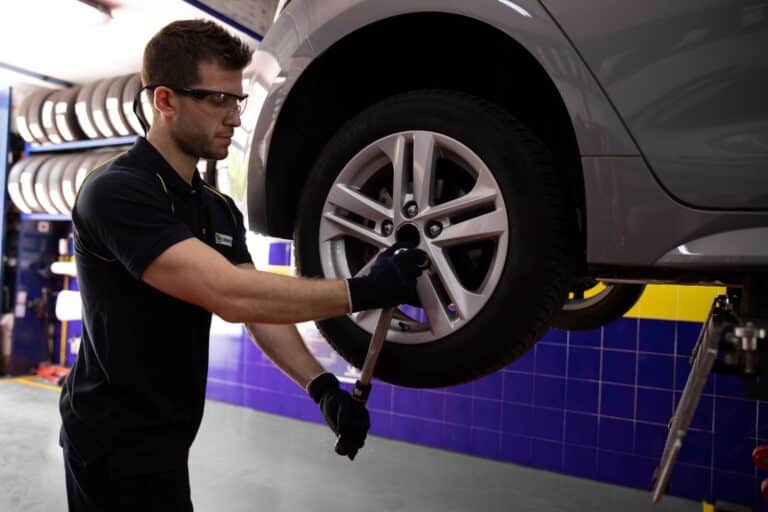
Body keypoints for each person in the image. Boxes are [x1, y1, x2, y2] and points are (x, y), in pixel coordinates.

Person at [59, 19, 425, 511]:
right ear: (165, 101)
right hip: (108, 441)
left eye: (238, 101)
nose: (234, 117)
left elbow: (255, 307)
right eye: (218, 100)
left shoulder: (216, 208)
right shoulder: (117, 192)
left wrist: (321, 389)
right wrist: (361, 290)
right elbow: (228, 294)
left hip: (168, 439)